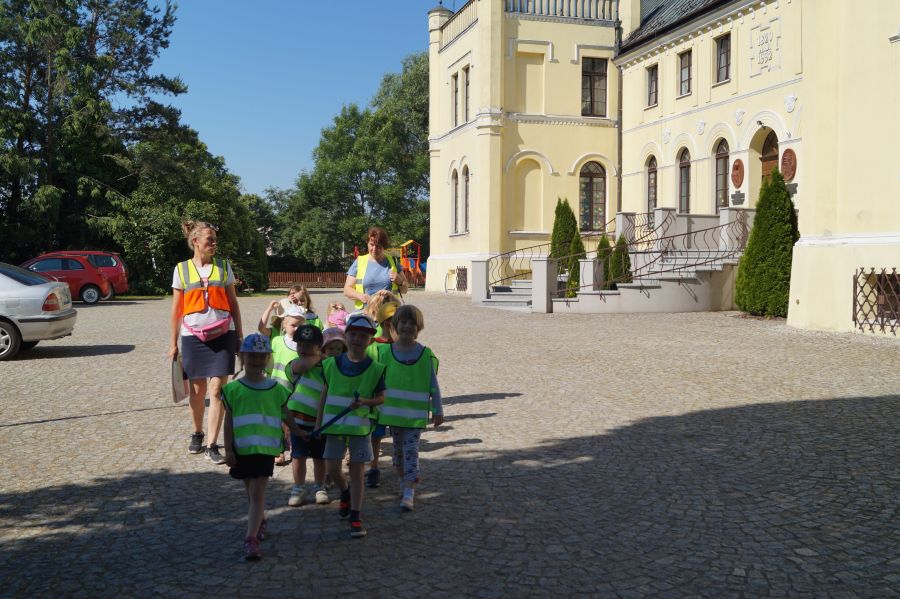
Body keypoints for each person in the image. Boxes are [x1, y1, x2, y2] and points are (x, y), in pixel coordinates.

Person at [222, 334, 305, 560]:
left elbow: (285, 414)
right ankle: (261, 520)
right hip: (242, 448)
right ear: (243, 357)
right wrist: (228, 449)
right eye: (252, 356)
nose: (257, 360)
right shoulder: (233, 389)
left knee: (257, 492)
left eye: (261, 356)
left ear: (267, 358)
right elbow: (228, 421)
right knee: (250, 490)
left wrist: (297, 431)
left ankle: (251, 539)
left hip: (266, 449)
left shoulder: (275, 388)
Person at [168, 220, 243, 465]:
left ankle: (212, 444)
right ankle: (198, 432)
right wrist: (173, 342)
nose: (214, 243)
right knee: (198, 391)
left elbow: (233, 303)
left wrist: (239, 336)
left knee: (217, 390)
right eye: (209, 239)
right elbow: (176, 309)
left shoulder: (224, 267)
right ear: (195, 241)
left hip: (223, 335)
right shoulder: (181, 269)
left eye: (215, 240)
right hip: (193, 337)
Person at [317, 313, 385, 538]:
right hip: (333, 427)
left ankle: (356, 515)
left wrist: (365, 402)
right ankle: (344, 492)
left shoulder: (376, 368)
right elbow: (324, 396)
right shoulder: (330, 364)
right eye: (353, 334)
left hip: (359, 428)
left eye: (363, 336)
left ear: (370, 339)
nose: (357, 339)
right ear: (346, 336)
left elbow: (381, 398)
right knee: (332, 469)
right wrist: (318, 424)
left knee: (357, 472)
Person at [376, 305, 443, 512]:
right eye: (403, 322)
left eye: (412, 323)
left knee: (411, 451)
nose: (407, 326)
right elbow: (375, 383)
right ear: (395, 325)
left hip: (415, 417)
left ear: (418, 327)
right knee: (397, 454)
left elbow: (433, 384)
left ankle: (409, 490)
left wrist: (438, 409)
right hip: (394, 416)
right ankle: (403, 480)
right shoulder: (385, 353)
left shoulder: (425, 354)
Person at [285, 324, 330, 507]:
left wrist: (323, 359)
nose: (303, 349)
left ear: (319, 346)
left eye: (309, 346)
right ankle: (298, 487)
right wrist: (319, 356)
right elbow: (303, 366)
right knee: (298, 456)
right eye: (300, 345)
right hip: (298, 421)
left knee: (320, 457)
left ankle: (320, 486)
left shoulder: (326, 366)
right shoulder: (294, 363)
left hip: (321, 420)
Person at [364, 298, 399, 488]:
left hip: (397, 401)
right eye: (399, 323)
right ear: (387, 323)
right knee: (376, 436)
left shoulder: (405, 348)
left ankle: (400, 463)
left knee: (399, 435)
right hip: (378, 401)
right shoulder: (373, 346)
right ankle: (374, 467)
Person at [343, 226, 408, 310]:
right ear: (367, 243)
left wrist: (400, 281)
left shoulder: (393, 262)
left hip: (389, 312)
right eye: (371, 245)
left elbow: (405, 290)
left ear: (384, 246)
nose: (374, 249)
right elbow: (347, 290)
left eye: (378, 246)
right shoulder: (359, 262)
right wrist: (361, 296)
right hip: (365, 312)